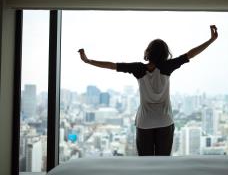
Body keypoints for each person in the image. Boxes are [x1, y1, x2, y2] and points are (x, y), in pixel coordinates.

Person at [78, 25, 218, 156]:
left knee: (145, 162)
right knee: (163, 163)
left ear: (148, 52)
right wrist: (211, 40)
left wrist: (89, 61)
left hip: (144, 122)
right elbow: (190, 54)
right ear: (165, 53)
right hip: (165, 121)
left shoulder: (138, 68)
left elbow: (112, 65)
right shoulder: (167, 66)